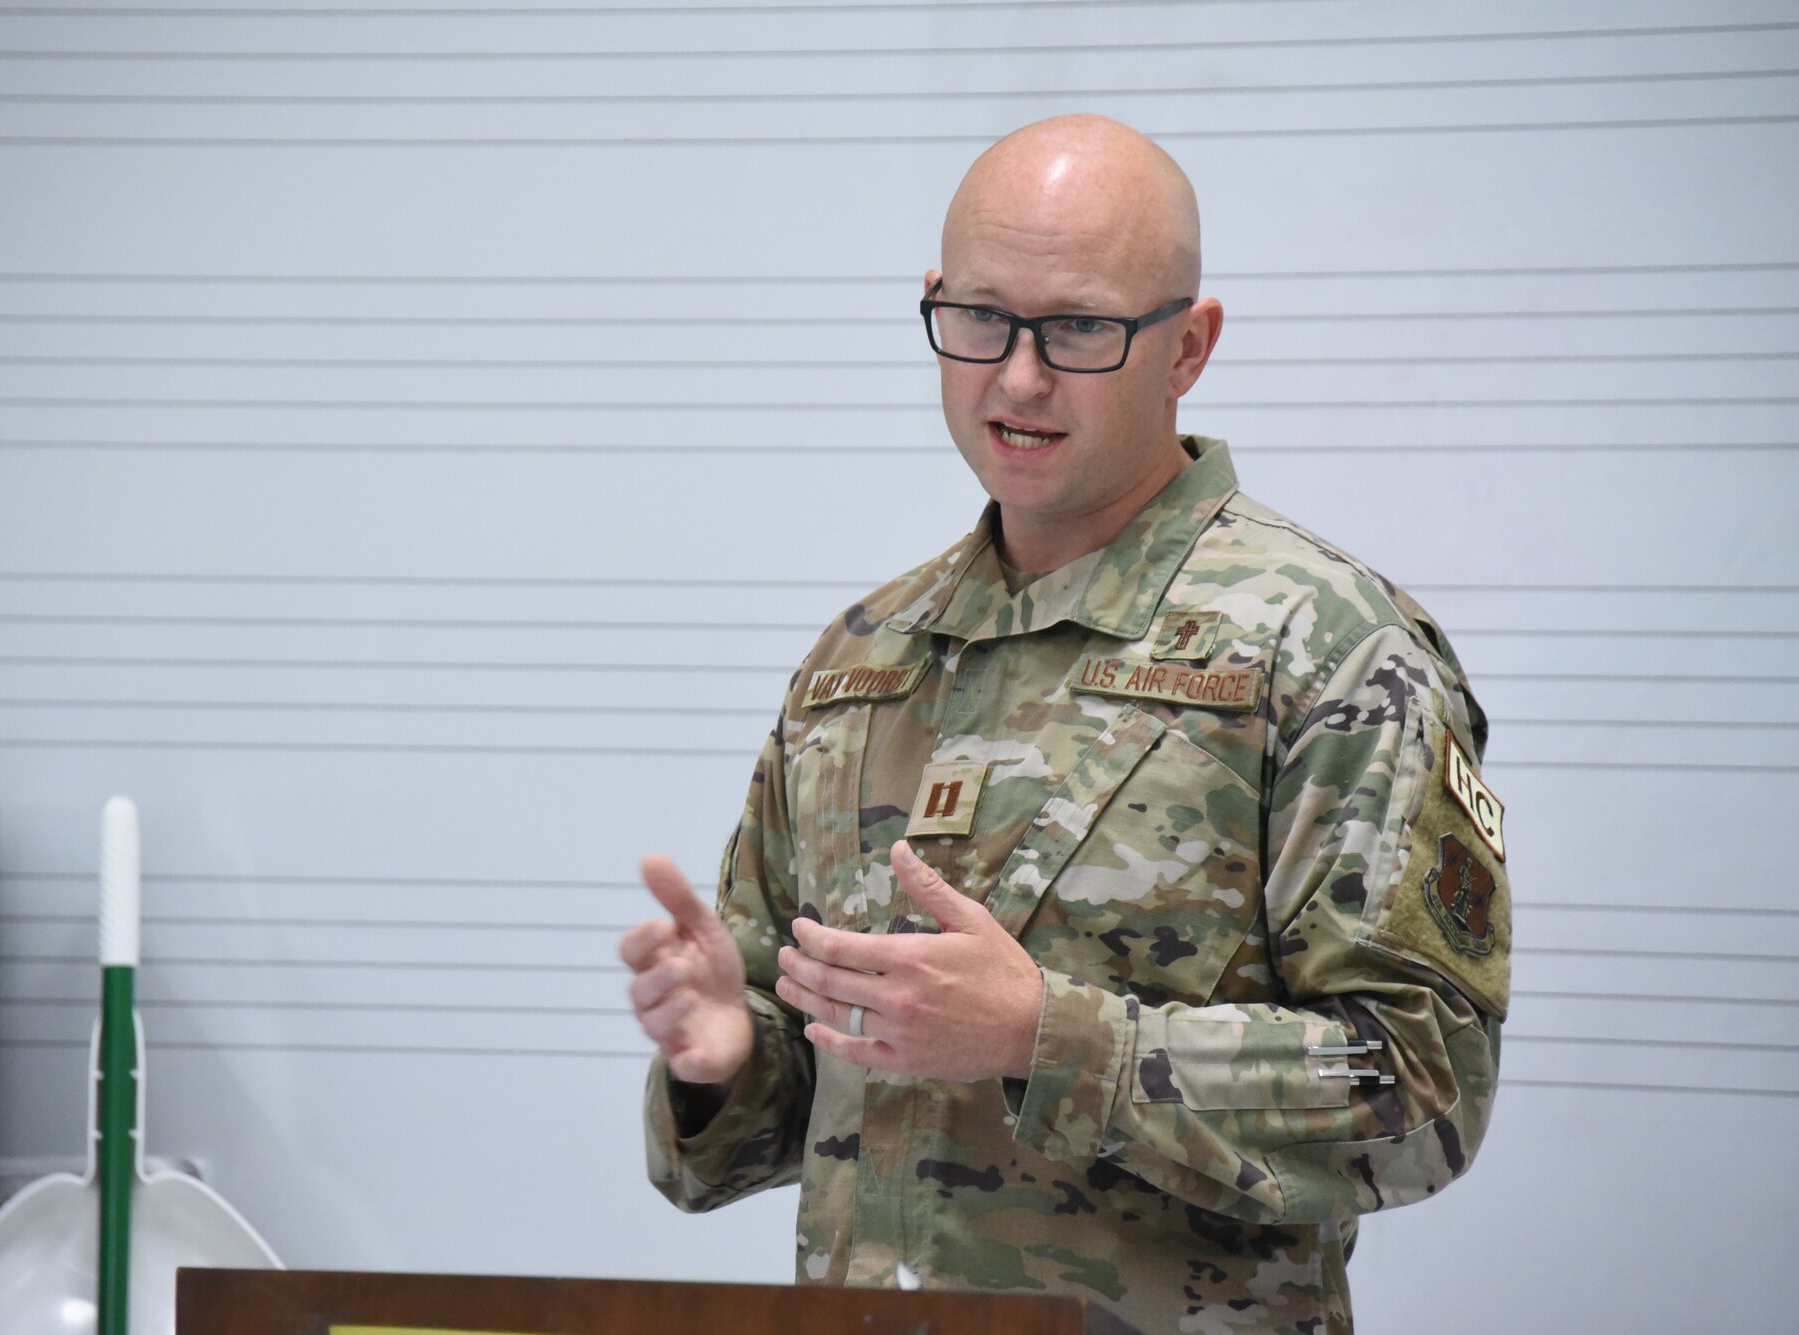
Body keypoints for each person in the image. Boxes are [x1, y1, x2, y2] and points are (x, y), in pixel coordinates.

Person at [618, 114, 1507, 1335]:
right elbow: (784, 1123)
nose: (1017, 377)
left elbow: (1423, 1089)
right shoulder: (860, 659)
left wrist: (1046, 1036)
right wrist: (727, 1054)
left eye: (1078, 328)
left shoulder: (1329, 649)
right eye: (980, 318)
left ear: (1187, 347)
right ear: (932, 304)